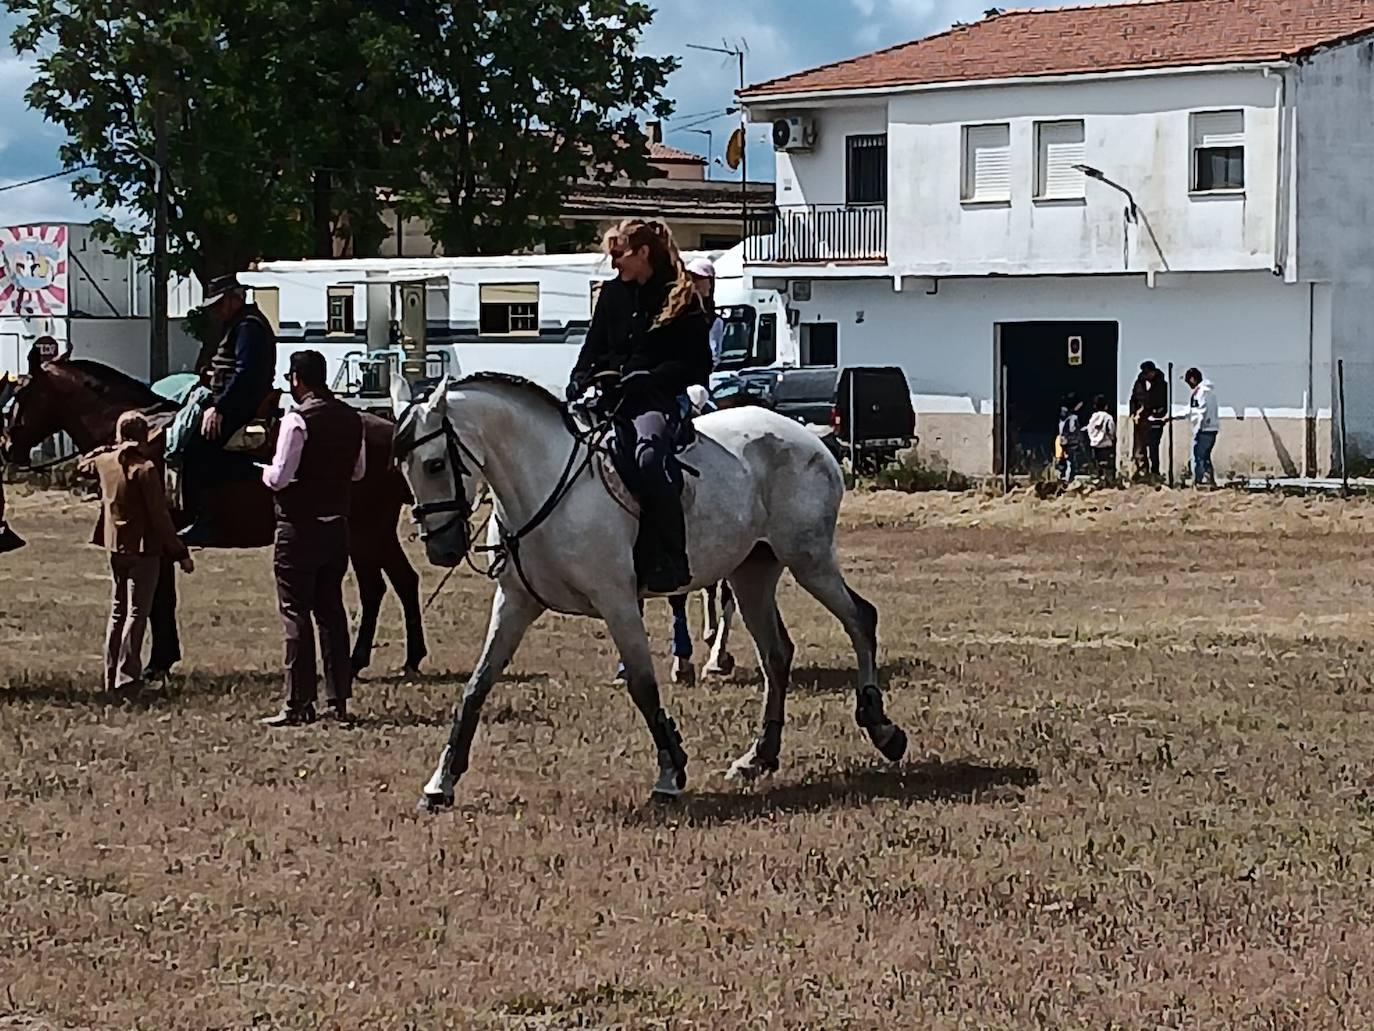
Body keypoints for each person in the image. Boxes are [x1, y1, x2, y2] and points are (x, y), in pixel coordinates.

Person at [567, 218, 713, 593]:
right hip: (611, 399)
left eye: (619, 255)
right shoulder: (612, 294)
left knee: (648, 459)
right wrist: (579, 377)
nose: (613, 263)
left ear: (643, 253)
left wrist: (651, 377)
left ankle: (671, 558)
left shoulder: (682, 297)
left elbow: (698, 365)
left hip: (658, 400)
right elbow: (594, 346)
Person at [260, 350, 367, 727]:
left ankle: (298, 702)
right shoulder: (352, 418)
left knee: (295, 612)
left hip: (299, 526)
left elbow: (280, 477)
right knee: (331, 613)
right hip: (336, 526)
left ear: (296, 379)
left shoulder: (297, 420)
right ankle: (338, 700)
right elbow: (358, 472)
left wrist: (264, 473)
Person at [79, 411, 195, 694]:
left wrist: (107, 448)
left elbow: (81, 465)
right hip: (144, 549)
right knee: (136, 613)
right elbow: (159, 516)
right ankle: (128, 678)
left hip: (115, 546)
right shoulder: (146, 469)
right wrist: (179, 552)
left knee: (117, 611)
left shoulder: (104, 463)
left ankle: (110, 675)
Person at [180, 273, 278, 545]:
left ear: (235, 299)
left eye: (219, 303)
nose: (216, 311)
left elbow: (245, 374)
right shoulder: (239, 324)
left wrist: (219, 408)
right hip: (233, 402)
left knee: (198, 448)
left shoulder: (249, 327)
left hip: (241, 406)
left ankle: (207, 520)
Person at [1129, 361, 1168, 479]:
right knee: (1139, 447)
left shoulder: (1162, 385)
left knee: (1153, 447)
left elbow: (1163, 403)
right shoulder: (1139, 383)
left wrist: (1157, 413)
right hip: (1140, 420)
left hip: (1155, 420)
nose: (1147, 376)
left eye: (1149, 373)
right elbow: (1134, 399)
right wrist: (1133, 413)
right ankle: (1142, 471)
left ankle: (1155, 473)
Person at [687, 257, 725, 368]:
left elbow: (714, 354)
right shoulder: (682, 312)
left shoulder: (714, 321)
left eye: (699, 277)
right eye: (691, 277)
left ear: (710, 282)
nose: (694, 281)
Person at [1185, 367, 1220, 487]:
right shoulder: (1207, 391)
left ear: (1192, 379)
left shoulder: (1202, 392)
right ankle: (1209, 480)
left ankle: (1200, 481)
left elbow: (1201, 411)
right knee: (1205, 456)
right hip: (1211, 428)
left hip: (1204, 429)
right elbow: (1191, 410)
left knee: (1198, 456)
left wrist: (1198, 429)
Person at [1086, 394, 1117, 477]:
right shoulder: (1108, 417)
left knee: (1097, 465)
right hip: (1106, 444)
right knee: (1107, 466)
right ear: (1106, 406)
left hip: (1094, 445)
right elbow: (1112, 430)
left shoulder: (1092, 417)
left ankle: (1099, 479)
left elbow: (1089, 429)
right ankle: (1106, 480)